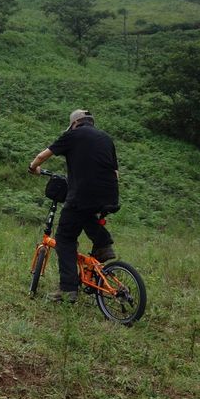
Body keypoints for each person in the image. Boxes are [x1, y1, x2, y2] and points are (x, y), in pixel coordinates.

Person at [28, 109, 119, 303]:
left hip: (83, 193)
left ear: (74, 123)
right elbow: (115, 173)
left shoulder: (73, 135)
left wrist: (33, 167)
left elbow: (43, 156)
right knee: (85, 215)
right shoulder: (106, 139)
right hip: (110, 194)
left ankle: (68, 290)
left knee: (65, 238)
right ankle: (104, 244)